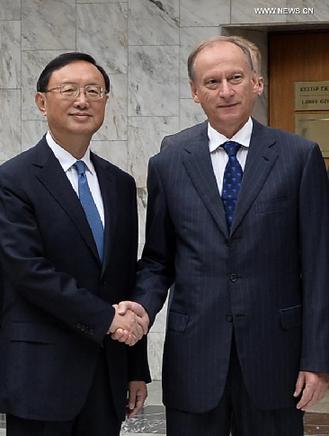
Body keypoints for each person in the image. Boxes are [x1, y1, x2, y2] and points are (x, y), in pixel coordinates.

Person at [113, 36, 329, 435]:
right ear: (195, 92)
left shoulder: (299, 157)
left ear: (257, 83)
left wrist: (317, 360)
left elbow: (319, 265)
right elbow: (159, 259)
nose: (225, 91)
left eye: (236, 78)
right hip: (193, 358)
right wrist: (141, 309)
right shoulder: (169, 161)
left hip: (275, 359)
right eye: (212, 82)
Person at [0, 52, 150, 436]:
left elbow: (123, 281)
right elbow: (28, 271)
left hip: (106, 375)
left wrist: (135, 370)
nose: (83, 100)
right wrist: (107, 320)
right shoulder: (13, 180)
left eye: (93, 91)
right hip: (41, 375)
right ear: (42, 101)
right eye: (69, 90)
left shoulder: (118, 184)